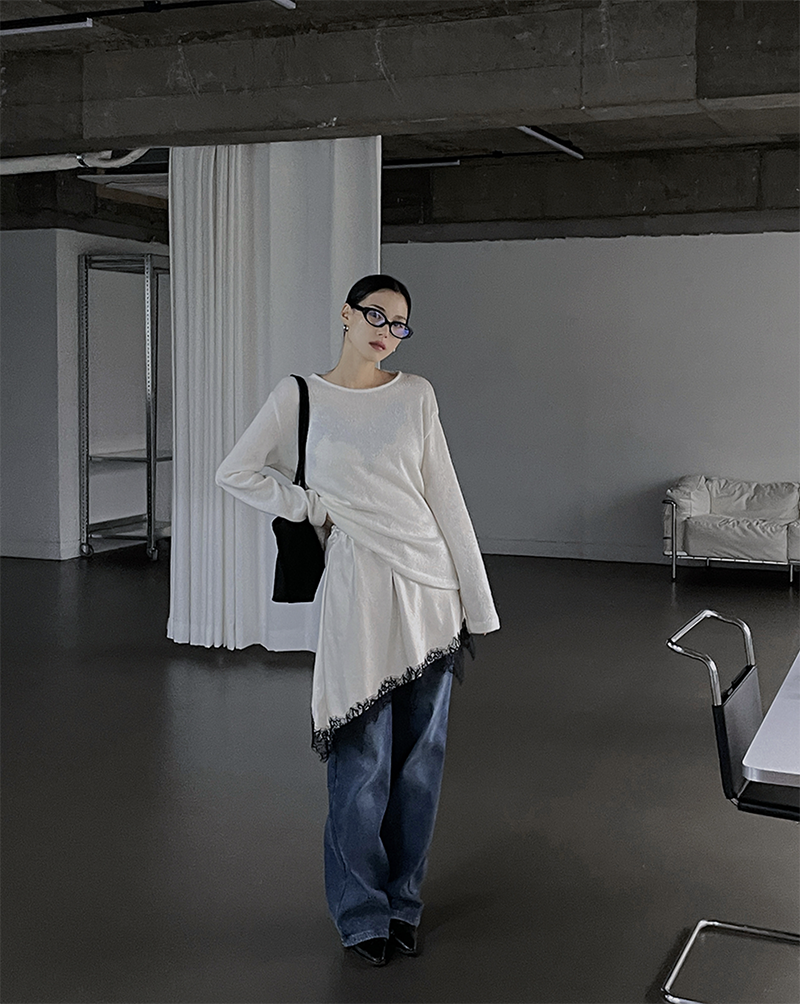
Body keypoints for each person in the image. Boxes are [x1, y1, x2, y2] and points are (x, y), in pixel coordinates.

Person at [215, 274, 500, 966]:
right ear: (346, 314)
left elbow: (445, 496)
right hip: (358, 591)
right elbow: (236, 471)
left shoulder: (416, 394)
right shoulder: (300, 396)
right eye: (376, 315)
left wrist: (476, 601)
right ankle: (361, 912)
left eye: (399, 324)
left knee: (419, 765)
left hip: (431, 590)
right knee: (361, 760)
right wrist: (311, 506)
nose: (386, 332)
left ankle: (403, 905)